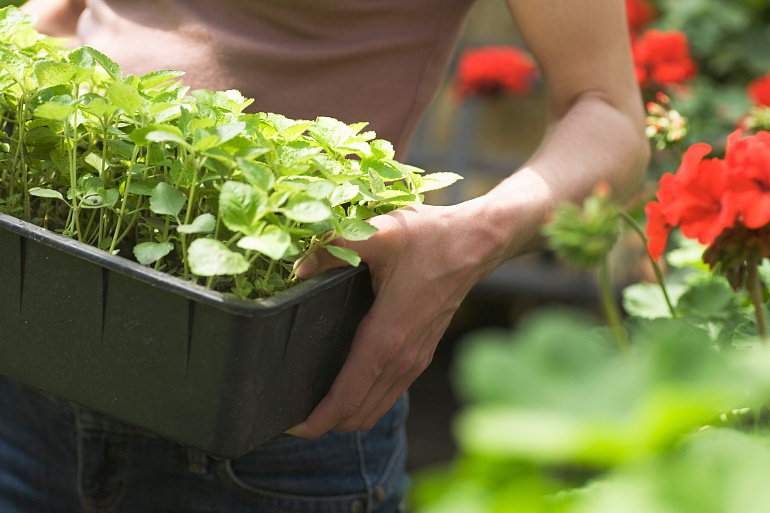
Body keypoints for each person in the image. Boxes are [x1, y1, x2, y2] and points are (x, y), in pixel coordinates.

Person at [1, 1, 650, 512]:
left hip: (269, 416)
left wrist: (467, 241)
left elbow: (608, 113)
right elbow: (69, 14)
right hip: (27, 361)